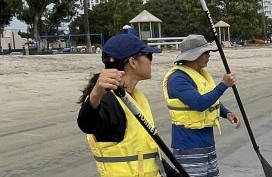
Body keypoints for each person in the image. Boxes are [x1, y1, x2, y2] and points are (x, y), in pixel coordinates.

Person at [77, 34, 168, 176]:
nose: (151, 61)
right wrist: (96, 94)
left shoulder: (135, 98)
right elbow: (87, 124)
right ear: (133, 62)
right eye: (148, 56)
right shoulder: (109, 100)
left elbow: (149, 155)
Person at [162, 34, 240, 177]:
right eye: (205, 52)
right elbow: (199, 103)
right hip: (188, 146)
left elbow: (209, 98)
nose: (208, 55)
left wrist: (226, 113)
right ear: (192, 56)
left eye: (208, 52)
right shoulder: (177, 79)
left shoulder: (200, 74)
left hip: (206, 143)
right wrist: (224, 85)